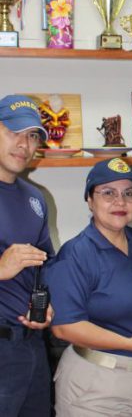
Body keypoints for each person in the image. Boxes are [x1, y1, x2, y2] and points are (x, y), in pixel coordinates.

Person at [44, 158, 132, 417]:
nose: (120, 202)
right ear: (89, 200)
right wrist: (128, 344)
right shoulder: (76, 254)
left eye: (129, 193)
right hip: (96, 388)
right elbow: (64, 327)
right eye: (108, 193)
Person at [0, 94, 54, 417]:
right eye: (14, 132)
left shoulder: (35, 198)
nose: (24, 144)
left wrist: (48, 305)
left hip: (31, 345)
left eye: (32, 136)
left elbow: (46, 265)